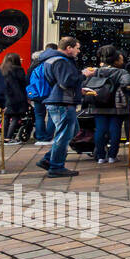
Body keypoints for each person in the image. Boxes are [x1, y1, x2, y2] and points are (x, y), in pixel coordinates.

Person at [36, 37, 93, 178]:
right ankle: (56, 166)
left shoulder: (51, 59)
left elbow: (59, 82)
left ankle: (49, 159)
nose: (78, 51)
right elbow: (66, 82)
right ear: (69, 48)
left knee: (73, 131)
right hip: (62, 102)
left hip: (57, 99)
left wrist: (79, 89)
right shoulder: (60, 61)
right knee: (64, 135)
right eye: (77, 48)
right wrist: (83, 74)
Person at [81, 45, 130, 165]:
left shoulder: (94, 71)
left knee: (100, 130)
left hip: (97, 103)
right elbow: (128, 82)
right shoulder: (121, 72)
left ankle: (100, 156)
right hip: (115, 105)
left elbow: (84, 82)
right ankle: (112, 156)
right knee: (115, 129)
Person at [26, 43, 59, 147]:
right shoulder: (54, 61)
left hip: (37, 93)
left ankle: (40, 137)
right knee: (52, 115)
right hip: (51, 93)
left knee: (39, 115)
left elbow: (28, 78)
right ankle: (49, 137)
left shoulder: (36, 62)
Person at [0, 52, 29, 144]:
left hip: (4, 97)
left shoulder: (1, 69)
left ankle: (4, 137)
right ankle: (9, 138)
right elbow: (24, 83)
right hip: (17, 97)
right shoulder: (18, 70)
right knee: (16, 117)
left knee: (6, 118)